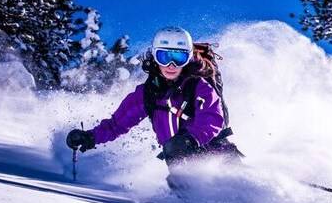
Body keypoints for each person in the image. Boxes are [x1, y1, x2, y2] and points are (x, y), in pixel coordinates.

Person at [66, 27, 240, 170]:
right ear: (155, 58)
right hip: (180, 166)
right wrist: (90, 137)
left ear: (188, 59)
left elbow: (212, 118)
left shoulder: (199, 86)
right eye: (164, 57)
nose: (171, 66)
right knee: (187, 193)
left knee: (239, 189)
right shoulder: (147, 94)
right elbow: (117, 125)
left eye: (179, 58)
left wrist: (189, 139)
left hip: (218, 153)